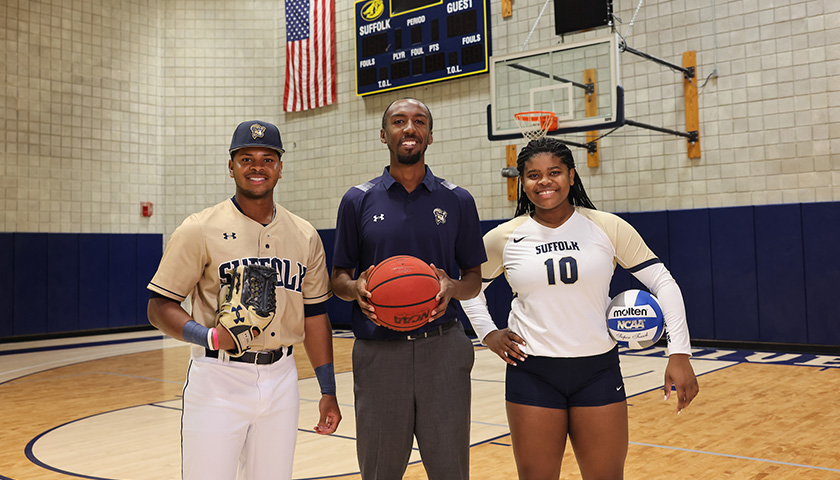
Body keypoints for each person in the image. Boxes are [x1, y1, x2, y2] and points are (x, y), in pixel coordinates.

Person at [461, 137, 699, 480]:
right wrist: (488, 333)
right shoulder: (504, 237)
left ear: (572, 176)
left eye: (554, 172)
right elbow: (469, 290)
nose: (544, 181)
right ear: (521, 183)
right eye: (533, 175)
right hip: (532, 373)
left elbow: (663, 282)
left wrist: (679, 353)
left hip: (597, 372)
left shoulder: (606, 226)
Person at [146, 120, 341, 480]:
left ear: (280, 168)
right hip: (219, 375)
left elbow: (314, 315)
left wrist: (327, 389)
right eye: (246, 158)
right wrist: (208, 337)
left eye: (267, 159)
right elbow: (159, 307)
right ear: (231, 165)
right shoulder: (198, 228)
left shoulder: (305, 235)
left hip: (282, 377)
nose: (257, 167)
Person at [330, 98, 486, 480]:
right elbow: (337, 278)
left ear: (430, 136)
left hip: (443, 348)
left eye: (419, 122)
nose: (410, 128)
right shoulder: (357, 199)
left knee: (450, 469)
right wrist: (356, 288)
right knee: (380, 469)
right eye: (399, 121)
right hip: (378, 351)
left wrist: (452, 287)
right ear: (384, 135)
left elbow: (473, 280)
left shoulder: (457, 199)